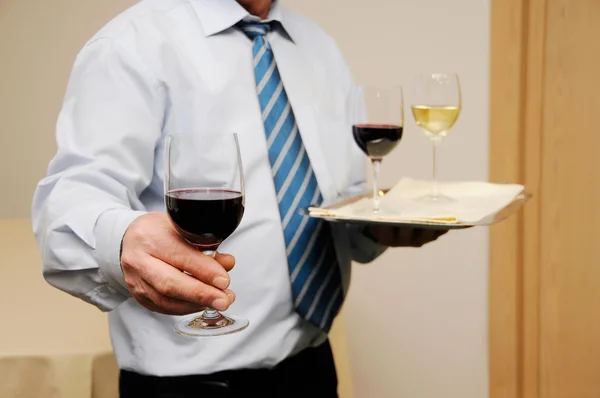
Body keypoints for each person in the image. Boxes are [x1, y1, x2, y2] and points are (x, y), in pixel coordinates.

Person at [32, 0, 446, 396]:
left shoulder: (319, 47)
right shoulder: (132, 43)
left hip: (313, 369)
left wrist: (377, 227)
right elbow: (68, 204)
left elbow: (340, 205)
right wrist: (122, 242)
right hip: (188, 387)